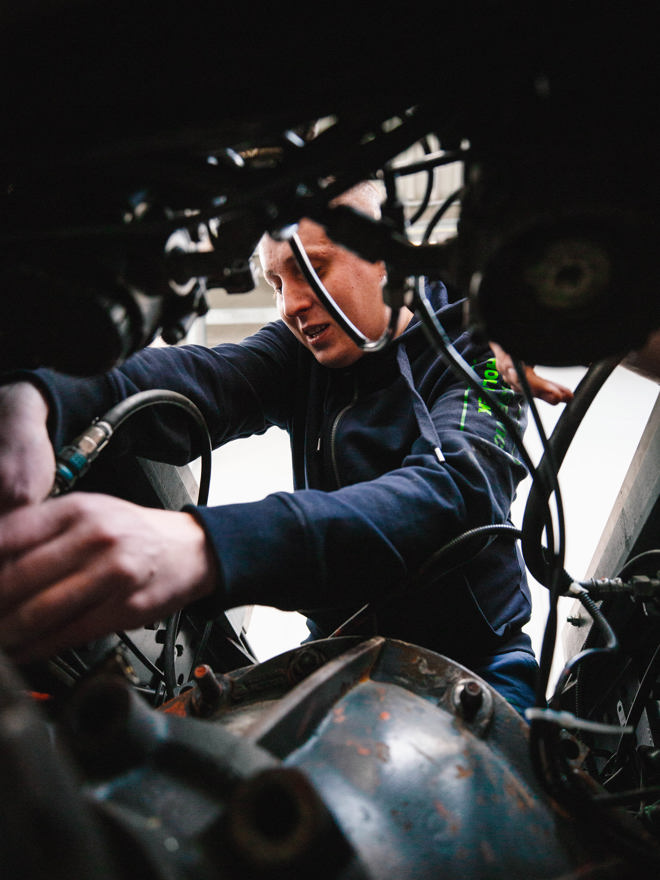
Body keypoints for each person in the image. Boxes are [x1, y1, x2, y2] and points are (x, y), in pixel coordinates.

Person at [0, 182, 538, 714]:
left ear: (386, 257)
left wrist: (205, 547)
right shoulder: (299, 353)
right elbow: (201, 378)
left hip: (473, 669)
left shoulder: (482, 350)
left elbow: (452, 498)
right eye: (277, 282)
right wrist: (43, 396)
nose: (291, 305)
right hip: (335, 662)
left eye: (313, 269)